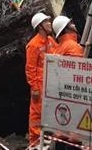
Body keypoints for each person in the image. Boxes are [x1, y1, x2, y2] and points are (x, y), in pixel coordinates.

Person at [25, 12, 56, 147]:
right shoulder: (33, 44)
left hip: (50, 85)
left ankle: (46, 140)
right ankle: (35, 142)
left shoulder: (50, 41)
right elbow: (30, 68)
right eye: (46, 22)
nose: (50, 24)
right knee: (36, 116)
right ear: (40, 27)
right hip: (39, 85)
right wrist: (35, 88)